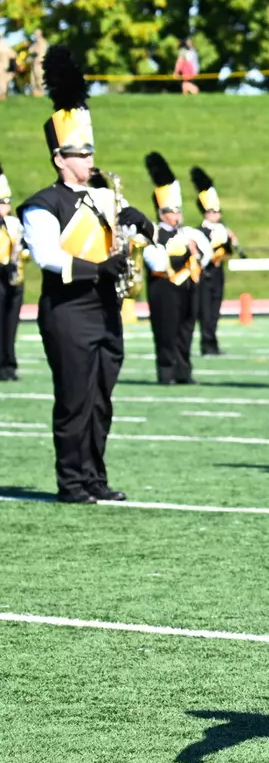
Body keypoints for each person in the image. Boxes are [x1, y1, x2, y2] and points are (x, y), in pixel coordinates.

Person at [18, 45, 154, 502]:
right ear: (59, 157)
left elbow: (122, 234)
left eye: (91, 150)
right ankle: (71, 481)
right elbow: (47, 256)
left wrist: (139, 225)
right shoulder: (43, 203)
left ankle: (95, 476)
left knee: (101, 401)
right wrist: (98, 268)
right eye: (80, 152)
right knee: (74, 400)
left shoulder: (105, 196)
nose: (89, 158)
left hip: (106, 310)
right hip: (68, 311)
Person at [143, 152, 209, 385]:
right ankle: (166, 371)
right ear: (162, 213)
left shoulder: (189, 233)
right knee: (165, 331)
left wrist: (195, 251)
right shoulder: (153, 233)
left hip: (188, 288)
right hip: (164, 288)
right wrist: (180, 251)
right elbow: (156, 262)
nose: (177, 216)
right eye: (172, 211)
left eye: (178, 211)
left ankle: (184, 371)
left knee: (186, 331)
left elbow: (206, 256)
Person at [192, 166, 239, 356]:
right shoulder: (199, 231)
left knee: (215, 308)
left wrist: (231, 241)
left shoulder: (223, 229)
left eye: (218, 211)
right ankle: (206, 343)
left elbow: (229, 253)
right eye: (213, 211)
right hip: (205, 273)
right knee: (205, 310)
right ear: (206, 212)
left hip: (218, 272)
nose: (217, 215)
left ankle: (213, 342)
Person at [0, 163, 25, 379]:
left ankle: (9, 363)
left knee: (11, 324)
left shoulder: (14, 224)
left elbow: (22, 247)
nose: (6, 206)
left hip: (14, 279)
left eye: (7, 202)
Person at [27, 30, 47, 97]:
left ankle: (41, 92)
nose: (36, 35)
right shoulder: (34, 43)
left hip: (39, 63)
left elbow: (42, 53)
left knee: (39, 78)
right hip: (34, 63)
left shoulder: (42, 42)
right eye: (35, 34)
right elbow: (30, 51)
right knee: (33, 79)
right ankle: (35, 92)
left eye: (37, 34)